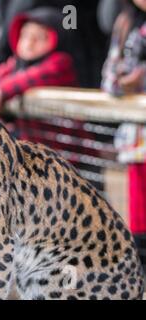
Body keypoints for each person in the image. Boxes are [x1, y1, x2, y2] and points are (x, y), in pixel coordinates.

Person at [101, 0, 146, 274]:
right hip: (137, 144)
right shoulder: (125, 23)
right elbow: (108, 76)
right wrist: (121, 81)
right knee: (140, 231)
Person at [0, 7, 77, 120]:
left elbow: (33, 76)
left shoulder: (61, 62)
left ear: (57, 39)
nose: (29, 43)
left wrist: (0, 91)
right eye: (24, 36)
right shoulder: (16, 63)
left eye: (39, 38)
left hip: (60, 135)